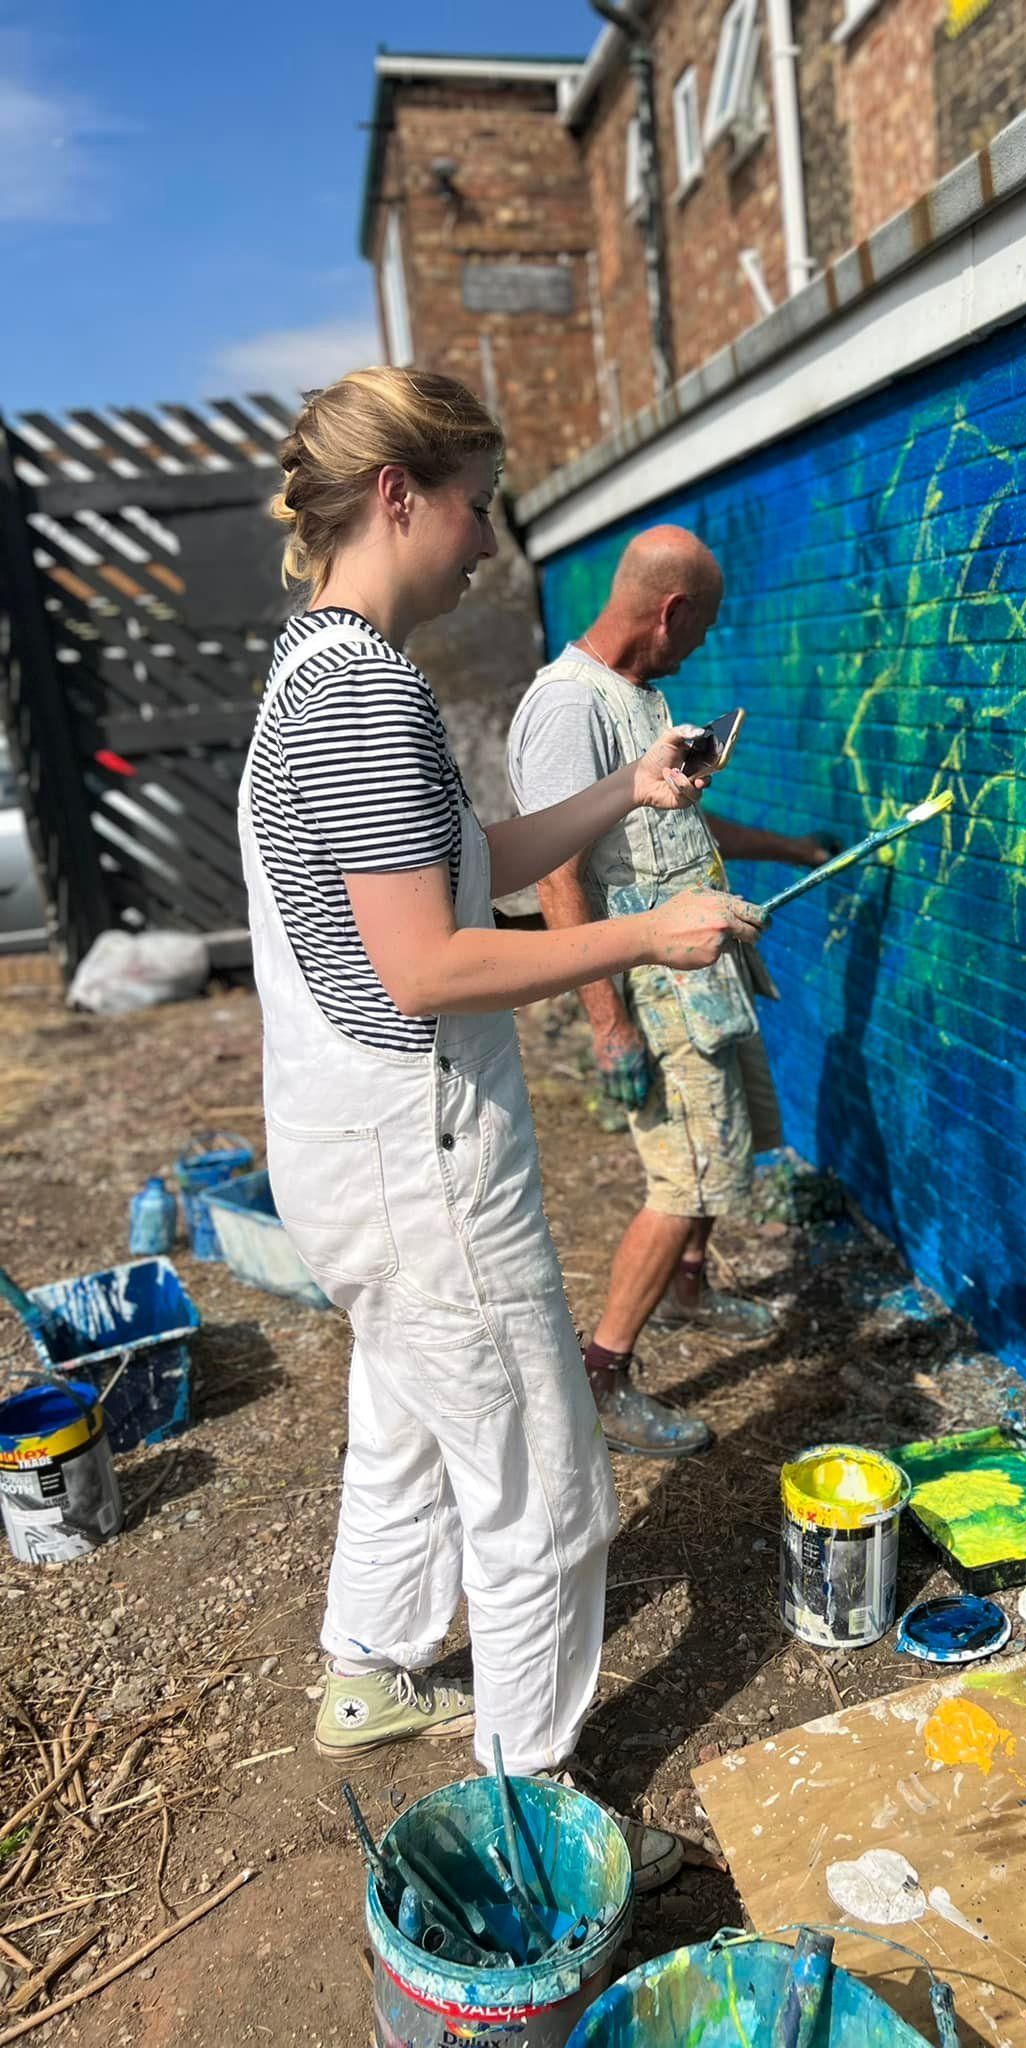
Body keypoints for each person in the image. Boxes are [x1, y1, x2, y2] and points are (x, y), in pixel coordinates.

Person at [239, 369, 762, 1884]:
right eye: (476, 504)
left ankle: (372, 1665)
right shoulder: (361, 691)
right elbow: (431, 964)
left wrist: (629, 790)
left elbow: (463, 868)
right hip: (423, 1162)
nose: (490, 547)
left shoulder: (313, 672)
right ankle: (534, 1807)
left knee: (404, 1421)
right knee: (542, 1488)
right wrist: (646, 937)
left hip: (353, 1159)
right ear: (399, 493)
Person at [507, 528, 835, 1459]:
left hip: (702, 979)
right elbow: (559, 874)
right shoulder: (570, 710)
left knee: (723, 1142)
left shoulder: (642, 698)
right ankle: (603, 1372)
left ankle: (689, 1285)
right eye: (702, 628)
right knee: (682, 1173)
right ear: (670, 611)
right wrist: (608, 1024)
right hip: (652, 991)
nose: (701, 648)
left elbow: (683, 822)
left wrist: (789, 849)